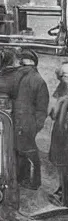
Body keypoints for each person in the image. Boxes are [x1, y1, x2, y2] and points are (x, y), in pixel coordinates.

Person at [13, 49, 49, 191]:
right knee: (19, 151)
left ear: (31, 63)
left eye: (24, 61)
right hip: (20, 121)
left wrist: (34, 126)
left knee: (28, 152)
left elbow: (41, 109)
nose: (22, 63)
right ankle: (24, 179)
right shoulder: (20, 77)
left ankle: (34, 182)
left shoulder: (36, 80)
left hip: (25, 123)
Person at [49, 62, 68, 203]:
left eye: (65, 75)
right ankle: (62, 190)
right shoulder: (62, 87)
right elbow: (53, 113)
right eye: (62, 76)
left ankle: (65, 198)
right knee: (62, 164)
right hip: (60, 132)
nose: (63, 78)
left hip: (64, 131)